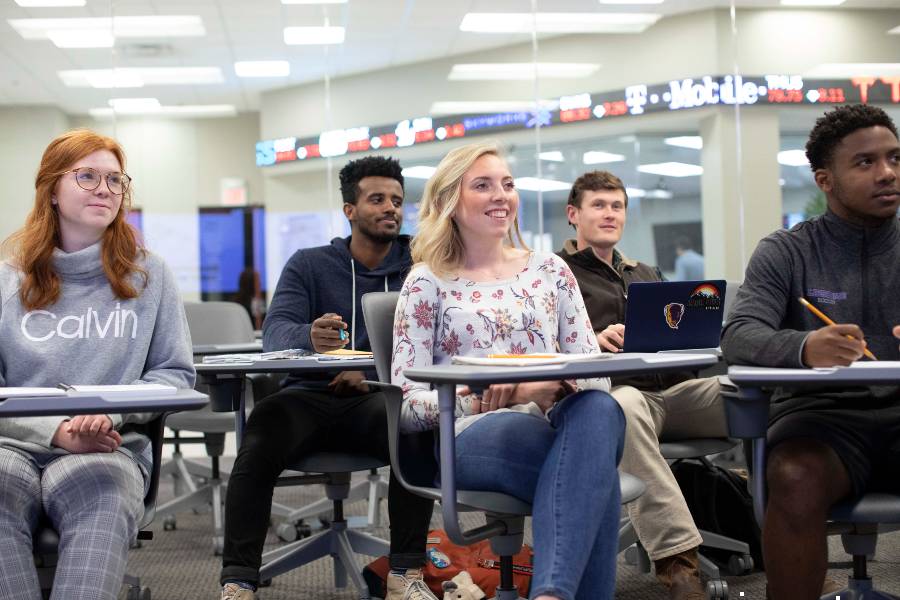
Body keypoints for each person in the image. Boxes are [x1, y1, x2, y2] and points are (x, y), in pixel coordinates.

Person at [392, 142, 626, 600]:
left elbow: (597, 378)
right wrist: (498, 395)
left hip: (559, 427)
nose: (502, 195)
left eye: (508, 184)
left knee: (599, 408)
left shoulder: (551, 271)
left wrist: (549, 387)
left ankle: (550, 594)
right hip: (472, 434)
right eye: (482, 185)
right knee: (599, 479)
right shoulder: (426, 281)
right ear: (449, 203)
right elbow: (405, 407)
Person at [219, 156, 436, 600]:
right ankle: (239, 580)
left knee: (415, 428)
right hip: (306, 398)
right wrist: (308, 336)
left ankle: (404, 572)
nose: (390, 208)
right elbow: (275, 334)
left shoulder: (420, 267)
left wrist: (371, 373)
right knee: (260, 434)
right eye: (377, 199)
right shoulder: (310, 265)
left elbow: (436, 341)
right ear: (350, 210)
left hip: (377, 398)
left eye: (396, 200)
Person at [0, 129, 195, 600]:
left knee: (100, 493)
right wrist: (55, 431)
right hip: (13, 445)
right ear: (51, 188)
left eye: (115, 179)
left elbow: (174, 374)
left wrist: (109, 413)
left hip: (110, 448)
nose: (105, 189)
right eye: (87, 176)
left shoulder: (150, 275)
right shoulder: (8, 276)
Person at [721, 104, 900, 600]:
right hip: (823, 422)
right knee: (794, 476)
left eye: (894, 158)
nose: (887, 173)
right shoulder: (787, 251)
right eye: (865, 163)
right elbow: (738, 335)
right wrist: (804, 347)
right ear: (826, 179)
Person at [557, 170, 724, 599]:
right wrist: (591, 341)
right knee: (625, 405)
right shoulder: (555, 274)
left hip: (670, 393)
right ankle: (679, 567)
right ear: (573, 214)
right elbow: (538, 345)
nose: (609, 214)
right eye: (599, 205)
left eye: (617, 206)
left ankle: (781, 535)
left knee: (746, 389)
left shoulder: (645, 271)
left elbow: (679, 338)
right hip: (610, 398)